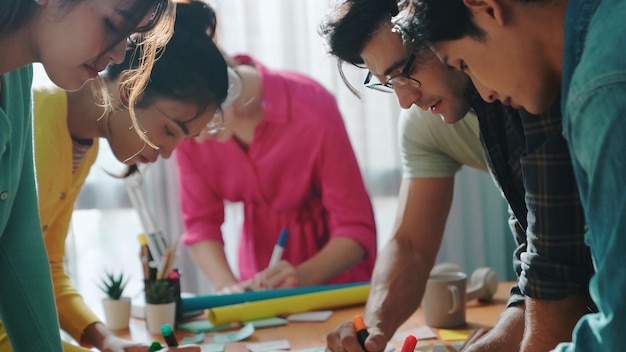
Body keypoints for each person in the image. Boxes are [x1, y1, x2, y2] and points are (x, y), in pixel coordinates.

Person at [319, 0, 593, 351]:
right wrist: (371, 331)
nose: (404, 99)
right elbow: (412, 245)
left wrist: (498, 341)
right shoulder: (461, 109)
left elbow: (559, 273)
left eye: (404, 70)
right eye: (388, 82)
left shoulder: (528, 86)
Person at [393, 0, 626, 350]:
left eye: (465, 64)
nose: (484, 92)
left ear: (487, 7)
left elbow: (616, 335)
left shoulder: (600, 93)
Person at [0, 1, 228, 351]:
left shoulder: (77, 139)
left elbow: (36, 265)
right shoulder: (39, 117)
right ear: (128, 88)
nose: (168, 152)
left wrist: (104, 339)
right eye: (170, 130)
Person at [175, 0, 377, 294]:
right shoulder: (190, 125)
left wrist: (303, 277)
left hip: (335, 288)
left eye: (201, 124)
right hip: (262, 292)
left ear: (226, 87)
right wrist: (228, 288)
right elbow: (200, 225)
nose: (198, 140)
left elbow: (356, 228)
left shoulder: (312, 108)